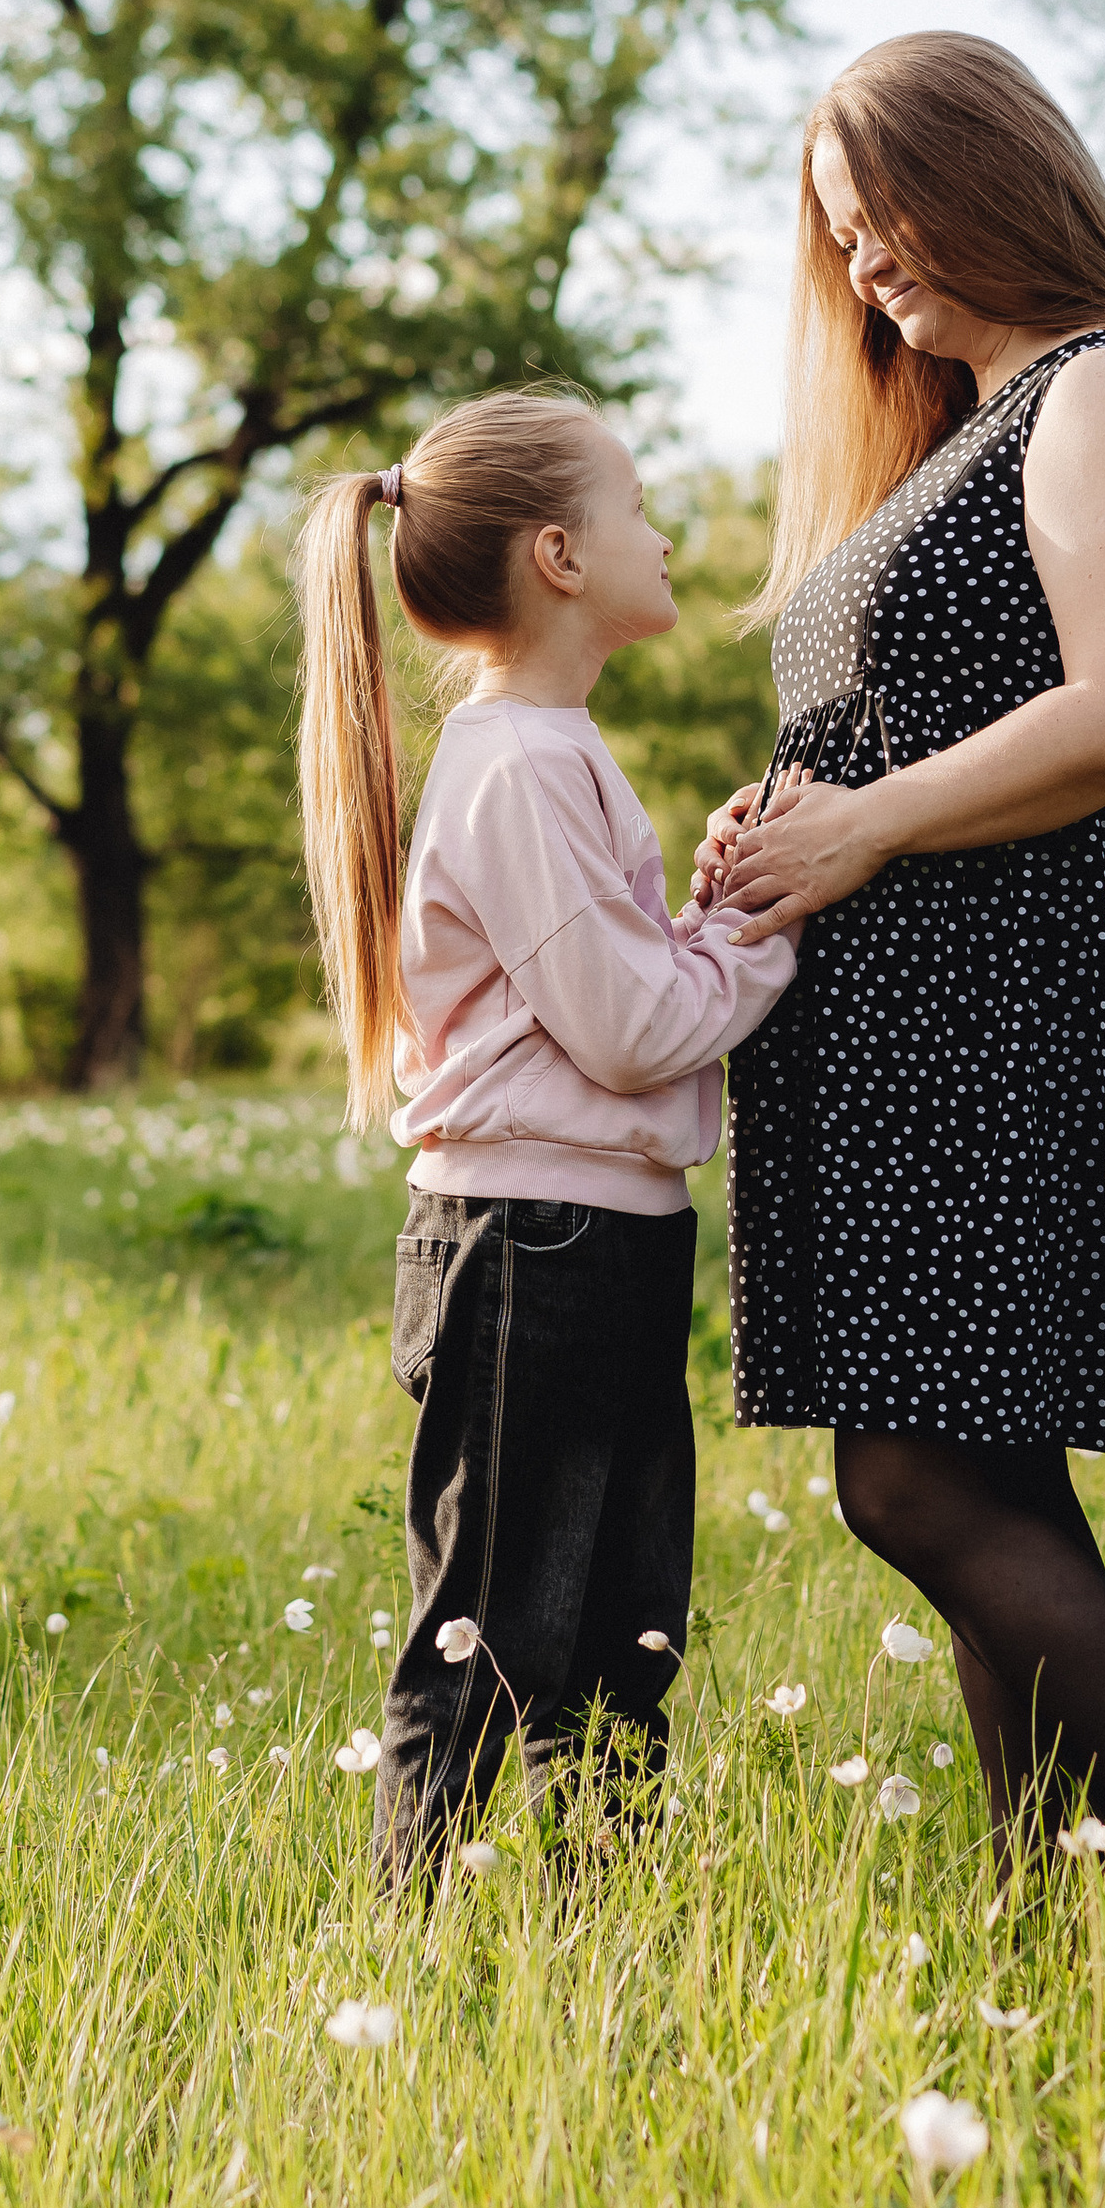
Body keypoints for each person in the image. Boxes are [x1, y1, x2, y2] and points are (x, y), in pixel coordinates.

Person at [708, 31, 1105, 1867]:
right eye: (839, 236)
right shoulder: (964, 433)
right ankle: (1075, 1921)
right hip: (922, 1017)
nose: (864, 263)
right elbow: (925, 707)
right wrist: (785, 809)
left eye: (882, 218)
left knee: (919, 1477)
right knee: (970, 1466)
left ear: (990, 179)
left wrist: (859, 820)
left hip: (1022, 1012)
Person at [296, 391, 798, 1883]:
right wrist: (769, 922)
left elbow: (625, 987)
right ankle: (405, 1957)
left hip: (606, 1244)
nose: (667, 533)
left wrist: (708, 912)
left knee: (623, 1633)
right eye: (638, 505)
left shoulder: (556, 752)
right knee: (484, 1637)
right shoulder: (513, 766)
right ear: (563, 555)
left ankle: (597, 1962)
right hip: (530, 1253)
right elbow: (635, 1028)